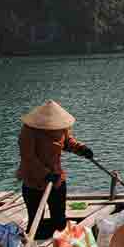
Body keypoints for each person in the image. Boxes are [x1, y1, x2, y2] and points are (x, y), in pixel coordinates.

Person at [16, 100, 93, 239]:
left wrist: (81, 148)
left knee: (59, 219)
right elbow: (28, 157)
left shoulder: (61, 127)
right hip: (34, 181)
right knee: (35, 220)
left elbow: (68, 142)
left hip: (57, 178)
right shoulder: (28, 131)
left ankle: (59, 246)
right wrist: (45, 174)